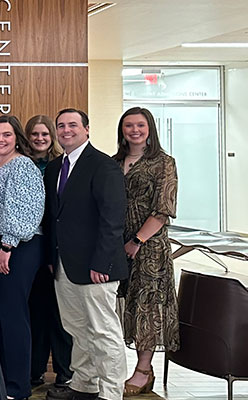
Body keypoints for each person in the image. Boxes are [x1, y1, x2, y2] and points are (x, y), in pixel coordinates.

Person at [44, 109, 128, 400]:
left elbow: (113, 219)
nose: (66, 130)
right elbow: (56, 218)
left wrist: (102, 262)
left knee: (103, 331)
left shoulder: (103, 166)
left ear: (87, 129)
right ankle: (84, 384)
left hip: (97, 266)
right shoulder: (56, 167)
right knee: (76, 328)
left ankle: (111, 392)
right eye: (61, 126)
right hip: (65, 265)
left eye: (72, 125)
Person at [114, 107, 179, 396]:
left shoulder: (163, 163)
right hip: (116, 244)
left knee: (147, 307)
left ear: (150, 128)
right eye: (129, 125)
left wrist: (137, 241)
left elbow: (164, 210)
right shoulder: (113, 162)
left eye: (140, 125)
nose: (134, 130)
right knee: (121, 306)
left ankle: (143, 369)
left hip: (149, 248)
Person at [0, 115, 45, 400]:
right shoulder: (0, 166)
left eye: (6, 135)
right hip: (1, 243)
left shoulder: (22, 165)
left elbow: (24, 210)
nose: (0, 139)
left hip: (16, 246)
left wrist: (7, 247)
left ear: (17, 138)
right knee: (7, 317)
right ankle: (4, 380)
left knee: (14, 317)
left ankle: (17, 387)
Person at [24, 114, 72, 390]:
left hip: (56, 245)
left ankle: (65, 370)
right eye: (35, 135)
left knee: (59, 313)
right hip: (32, 245)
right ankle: (36, 369)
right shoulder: (23, 164)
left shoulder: (60, 165)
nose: (40, 139)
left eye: (44, 134)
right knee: (36, 311)